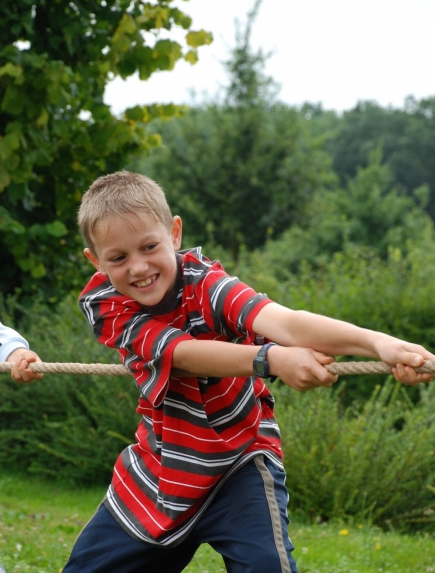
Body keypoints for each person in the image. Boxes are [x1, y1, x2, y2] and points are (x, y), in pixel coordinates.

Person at [65, 170, 435, 573]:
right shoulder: (108, 305)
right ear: (96, 261)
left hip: (240, 462)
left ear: (174, 234)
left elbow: (287, 324)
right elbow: (181, 353)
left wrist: (379, 343)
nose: (137, 268)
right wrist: (270, 360)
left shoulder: (207, 284)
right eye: (118, 258)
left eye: (149, 246)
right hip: (161, 469)